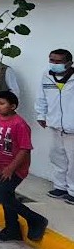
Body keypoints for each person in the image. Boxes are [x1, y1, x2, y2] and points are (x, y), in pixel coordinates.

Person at [0, 90, 48, 242]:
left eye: (1, 103)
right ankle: (12, 229)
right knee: (6, 197)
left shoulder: (19, 124)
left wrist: (11, 168)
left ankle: (35, 219)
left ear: (13, 106)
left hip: (14, 168)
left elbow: (25, 149)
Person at [36, 48, 74, 203]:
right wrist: (41, 114)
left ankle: (72, 191)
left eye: (58, 61)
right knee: (57, 157)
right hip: (54, 125)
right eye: (52, 60)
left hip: (72, 127)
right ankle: (60, 187)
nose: (54, 64)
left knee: (73, 160)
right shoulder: (47, 75)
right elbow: (41, 97)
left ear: (69, 63)